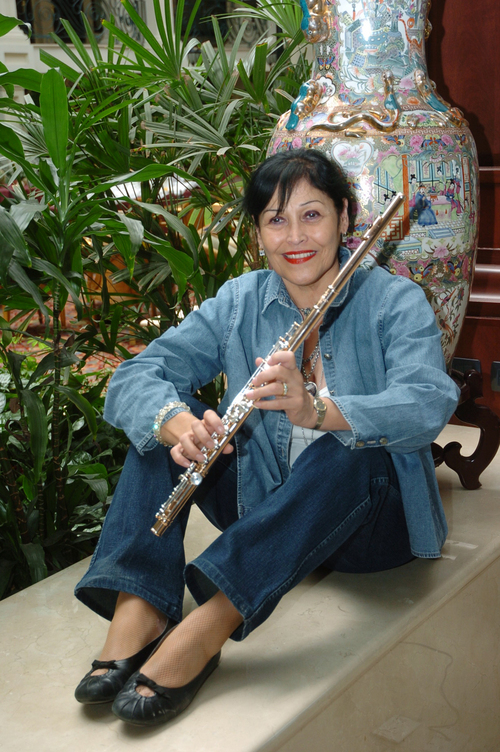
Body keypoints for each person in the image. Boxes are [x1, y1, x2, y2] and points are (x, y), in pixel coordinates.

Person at [74, 149, 460, 727]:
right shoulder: (241, 299)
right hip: (262, 507)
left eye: (312, 215)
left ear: (345, 217)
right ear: (258, 234)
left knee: (353, 449)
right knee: (164, 428)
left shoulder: (394, 301)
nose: (295, 237)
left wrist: (321, 410)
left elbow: (429, 402)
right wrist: (176, 423)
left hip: (370, 529)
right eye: (276, 220)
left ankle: (210, 623)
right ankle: (139, 607)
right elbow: (134, 377)